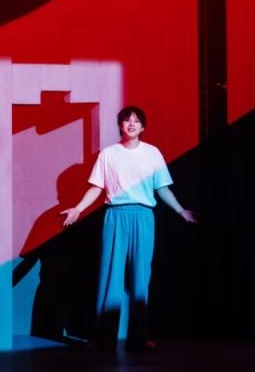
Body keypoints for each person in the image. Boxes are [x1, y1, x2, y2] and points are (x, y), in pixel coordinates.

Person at [60, 106, 197, 351]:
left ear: (142, 127)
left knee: (140, 277)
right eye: (126, 120)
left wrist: (180, 210)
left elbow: (162, 188)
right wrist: (78, 208)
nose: (131, 124)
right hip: (116, 215)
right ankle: (104, 337)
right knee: (111, 275)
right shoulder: (108, 154)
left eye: (136, 121)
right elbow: (96, 187)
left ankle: (139, 337)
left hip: (143, 216)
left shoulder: (152, 153)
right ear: (120, 125)